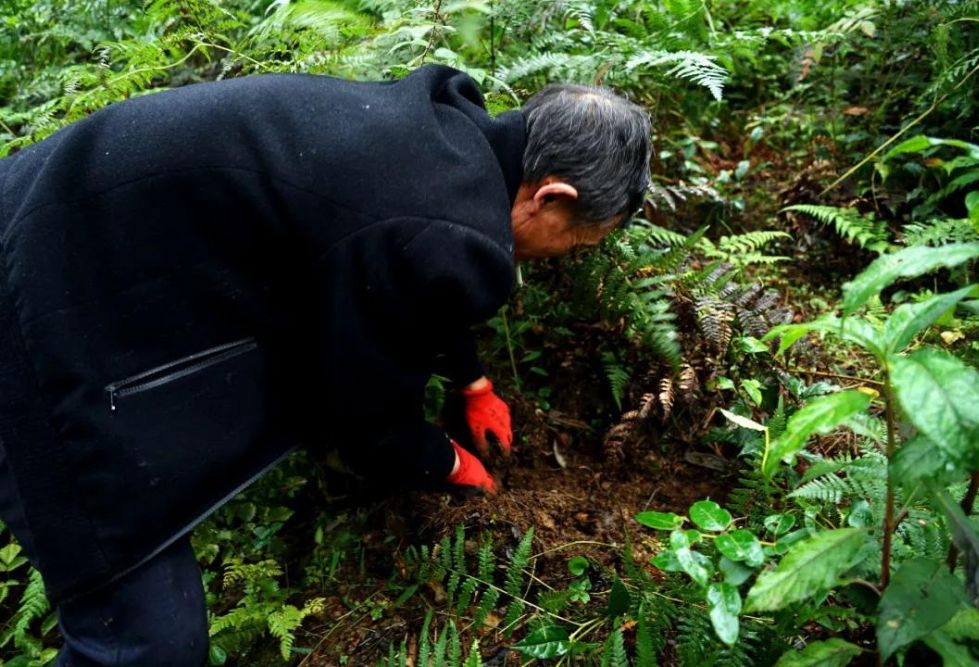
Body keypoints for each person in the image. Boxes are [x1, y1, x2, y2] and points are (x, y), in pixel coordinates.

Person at [0, 64, 651, 665]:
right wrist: (443, 461)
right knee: (147, 643)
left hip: (42, 206)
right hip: (40, 313)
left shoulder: (448, 130)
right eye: (575, 241)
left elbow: (404, 270)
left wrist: (471, 380)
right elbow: (362, 414)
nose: (562, 255)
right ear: (551, 197)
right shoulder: (446, 230)